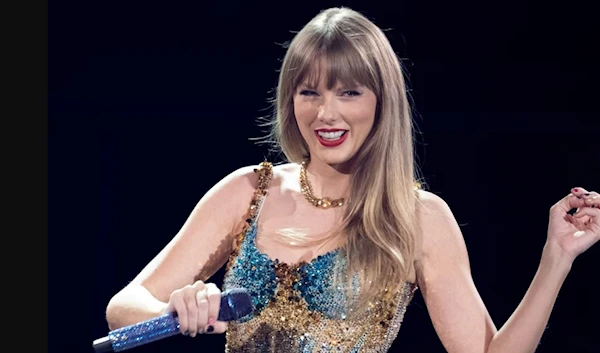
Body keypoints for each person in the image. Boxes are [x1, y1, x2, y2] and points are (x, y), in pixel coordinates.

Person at [104, 7, 599, 353]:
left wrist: (555, 259)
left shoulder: (418, 218)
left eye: (349, 92)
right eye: (309, 92)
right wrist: (180, 307)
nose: (326, 112)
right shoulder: (247, 192)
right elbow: (123, 307)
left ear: (381, 102)